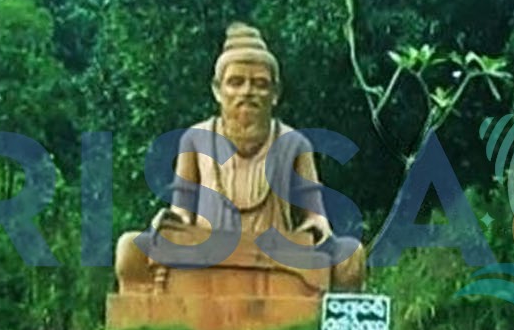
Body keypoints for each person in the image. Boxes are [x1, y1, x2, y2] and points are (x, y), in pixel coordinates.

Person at [114, 22, 366, 293]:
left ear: (275, 94)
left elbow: (315, 216)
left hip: (276, 253)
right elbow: (181, 211)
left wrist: (314, 231)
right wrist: (171, 224)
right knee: (130, 248)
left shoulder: (294, 143)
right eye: (236, 82)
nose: (247, 92)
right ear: (217, 90)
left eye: (260, 84)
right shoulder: (196, 138)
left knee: (351, 255)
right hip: (205, 251)